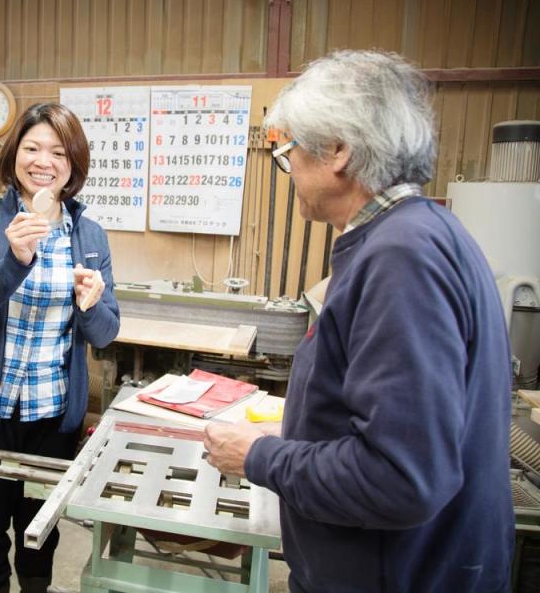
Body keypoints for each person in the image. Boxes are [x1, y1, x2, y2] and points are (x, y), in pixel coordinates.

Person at [203, 50, 514, 591]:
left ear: (339, 151)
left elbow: (401, 478)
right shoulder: (425, 233)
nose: (289, 171)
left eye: (291, 153)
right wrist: (299, 433)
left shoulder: (401, 258)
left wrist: (262, 456)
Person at [0, 103, 120, 593]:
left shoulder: (89, 234)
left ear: (73, 164)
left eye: (58, 152)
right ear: (14, 154)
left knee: (39, 532)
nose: (44, 161)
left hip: (52, 419)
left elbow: (106, 334)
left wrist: (89, 305)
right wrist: (15, 260)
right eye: (33, 148)